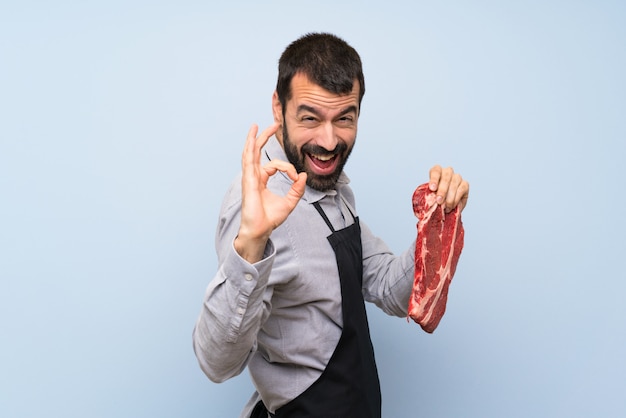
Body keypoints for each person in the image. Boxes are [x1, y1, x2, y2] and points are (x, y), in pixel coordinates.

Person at [193, 32, 470, 418]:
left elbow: (390, 289)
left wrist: (437, 225)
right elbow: (216, 362)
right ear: (279, 108)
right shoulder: (254, 204)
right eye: (310, 118)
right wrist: (252, 243)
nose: (328, 141)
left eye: (344, 118)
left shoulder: (331, 187)